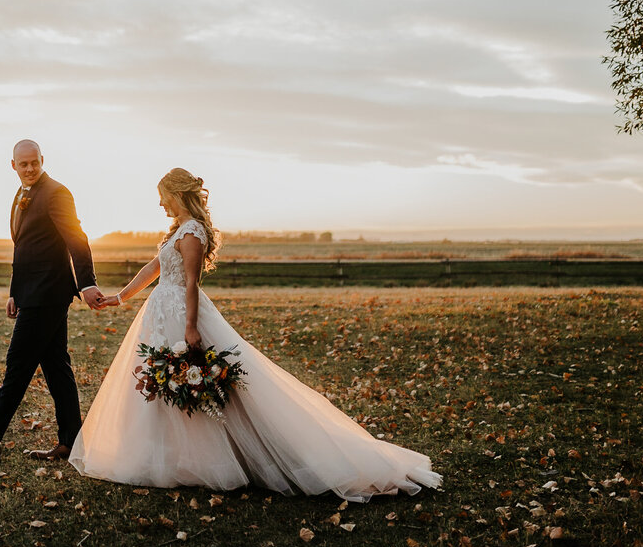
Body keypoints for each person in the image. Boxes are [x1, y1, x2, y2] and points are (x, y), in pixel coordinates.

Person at [68, 168, 441, 501]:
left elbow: (192, 284)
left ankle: (226, 458)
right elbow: (154, 269)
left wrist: (192, 328)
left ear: (176, 194)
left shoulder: (193, 232)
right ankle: (167, 459)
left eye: (163, 197)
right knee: (163, 387)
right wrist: (119, 298)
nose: (160, 204)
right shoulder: (176, 232)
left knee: (205, 389)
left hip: (182, 316)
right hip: (159, 314)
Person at [0, 140, 107, 463]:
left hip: (48, 296)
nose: (30, 168)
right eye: (24, 164)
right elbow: (24, 250)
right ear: (13, 166)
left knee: (17, 368)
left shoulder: (57, 193)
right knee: (57, 369)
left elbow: (77, 238)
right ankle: (71, 443)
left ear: (42, 160)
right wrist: (14, 291)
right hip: (32, 294)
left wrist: (87, 283)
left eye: (34, 162)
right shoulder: (21, 196)